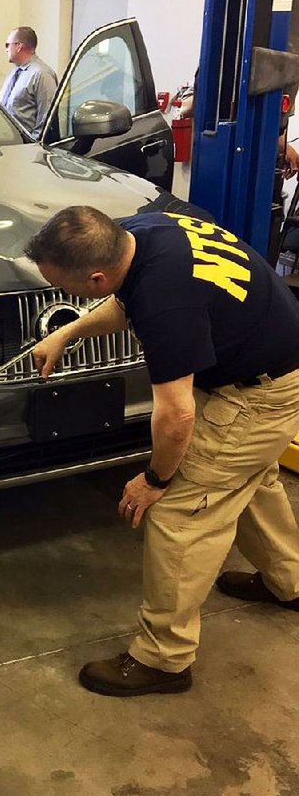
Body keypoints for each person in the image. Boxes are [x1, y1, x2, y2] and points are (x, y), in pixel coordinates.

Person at [25, 206, 299, 697]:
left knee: (183, 511)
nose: (66, 297)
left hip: (257, 392)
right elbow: (124, 300)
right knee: (248, 480)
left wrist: (153, 480)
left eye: (67, 289)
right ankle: (291, 581)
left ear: (96, 275)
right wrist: (65, 333)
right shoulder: (139, 233)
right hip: (271, 364)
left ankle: (163, 659)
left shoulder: (166, 301)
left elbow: (177, 417)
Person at [0, 26, 58, 141]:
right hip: (9, 144)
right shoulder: (14, 73)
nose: (6, 49)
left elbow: (46, 120)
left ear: (19, 46)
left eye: (7, 45)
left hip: (27, 148)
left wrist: (32, 146)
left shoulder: (42, 74)